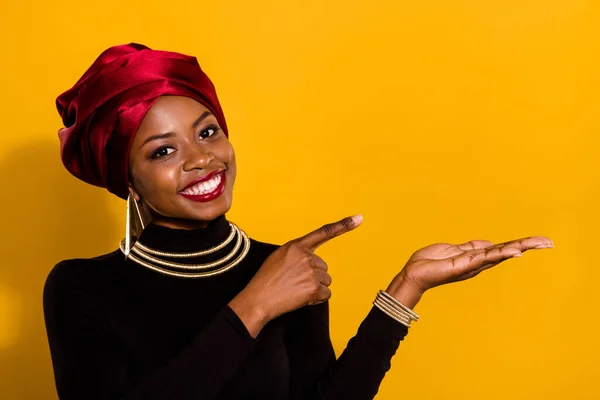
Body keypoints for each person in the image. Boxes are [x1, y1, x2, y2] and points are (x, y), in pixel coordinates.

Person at [43, 43, 553, 400]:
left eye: (208, 132)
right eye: (163, 151)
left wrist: (405, 291)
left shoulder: (285, 267)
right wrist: (255, 305)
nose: (201, 159)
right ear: (127, 181)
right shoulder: (82, 288)